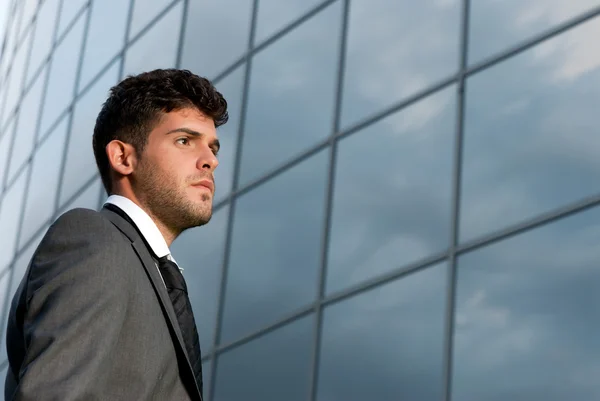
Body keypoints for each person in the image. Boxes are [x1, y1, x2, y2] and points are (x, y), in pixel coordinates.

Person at [4, 68, 228, 401]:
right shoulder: (93, 241)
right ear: (123, 157)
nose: (210, 160)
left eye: (213, 148)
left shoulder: (152, 273)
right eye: (184, 140)